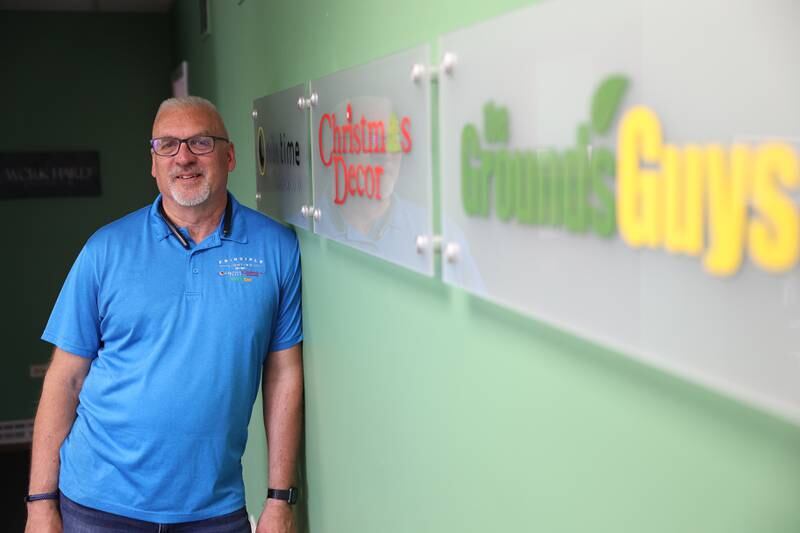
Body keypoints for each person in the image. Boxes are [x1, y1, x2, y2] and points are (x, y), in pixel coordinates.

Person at [24, 96, 304, 533]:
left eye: (201, 143)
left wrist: (279, 498)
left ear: (229, 156)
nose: (184, 158)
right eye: (167, 145)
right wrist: (40, 504)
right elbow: (66, 377)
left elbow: (284, 372)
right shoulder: (106, 250)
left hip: (214, 509)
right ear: (152, 162)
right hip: (97, 504)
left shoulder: (276, 249)